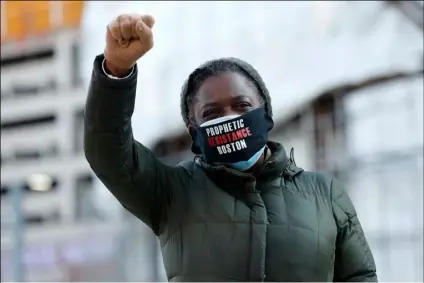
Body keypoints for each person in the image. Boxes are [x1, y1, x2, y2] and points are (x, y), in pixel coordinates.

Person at [84, 13, 378, 282]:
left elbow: (360, 277)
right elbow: (108, 152)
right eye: (212, 113)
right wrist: (117, 71)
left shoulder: (324, 194)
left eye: (242, 106)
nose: (230, 118)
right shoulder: (172, 192)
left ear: (266, 114)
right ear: (194, 133)